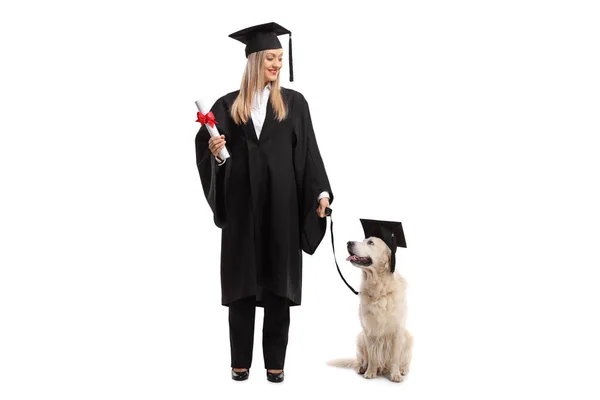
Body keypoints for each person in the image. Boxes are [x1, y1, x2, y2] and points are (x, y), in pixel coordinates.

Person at [194, 22, 334, 383]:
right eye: (271, 58)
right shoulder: (227, 106)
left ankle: (276, 363)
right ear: (255, 60)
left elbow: (309, 154)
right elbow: (211, 153)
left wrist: (320, 194)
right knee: (242, 286)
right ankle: (239, 362)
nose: (277, 64)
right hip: (242, 209)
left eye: (280, 58)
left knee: (277, 286)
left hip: (282, 210)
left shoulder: (294, 103)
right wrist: (217, 156)